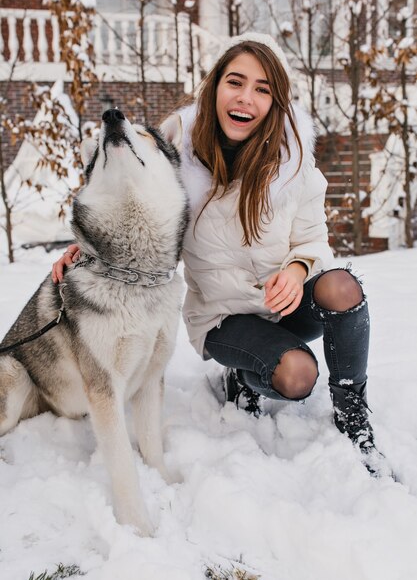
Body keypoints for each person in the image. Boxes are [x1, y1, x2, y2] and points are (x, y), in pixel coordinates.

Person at [53, 32, 382, 474]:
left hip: (281, 305)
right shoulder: (176, 159)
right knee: (297, 377)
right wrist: (90, 249)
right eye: (236, 81)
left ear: (276, 102)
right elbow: (130, 203)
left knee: (342, 287)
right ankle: (243, 376)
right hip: (223, 316)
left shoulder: (293, 162)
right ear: (214, 86)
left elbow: (313, 239)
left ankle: (353, 411)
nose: (246, 98)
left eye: (262, 89)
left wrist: (298, 267)